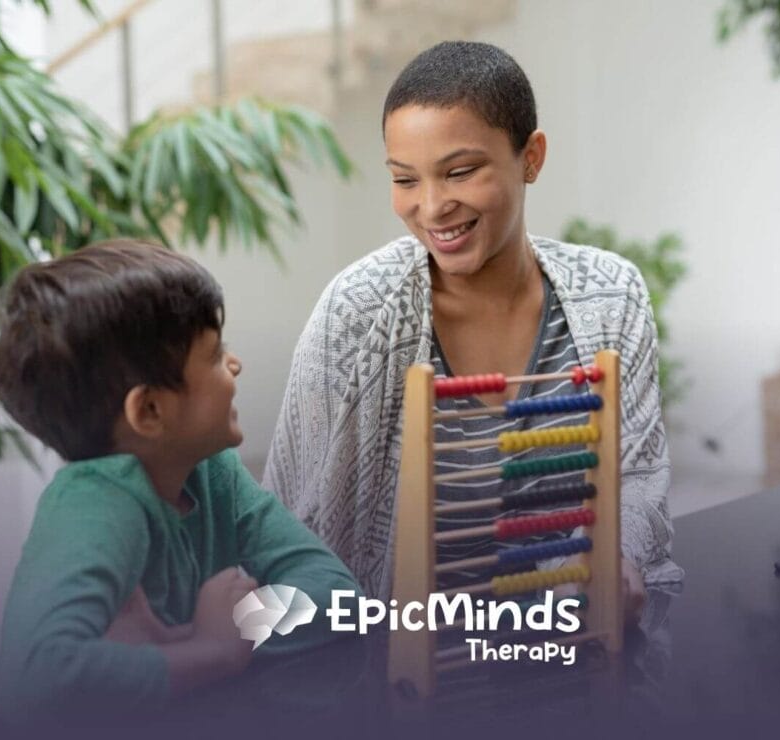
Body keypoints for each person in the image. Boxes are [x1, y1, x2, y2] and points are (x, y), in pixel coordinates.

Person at [263, 41, 684, 617]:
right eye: (405, 180)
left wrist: (616, 560)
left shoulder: (613, 294)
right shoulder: (356, 312)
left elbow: (635, 476)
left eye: (460, 172)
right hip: (408, 665)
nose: (432, 207)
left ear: (531, 157)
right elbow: (288, 520)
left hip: (576, 643)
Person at [0, 240, 360, 722]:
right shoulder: (92, 507)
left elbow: (333, 594)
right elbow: (38, 680)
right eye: (213, 354)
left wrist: (233, 633)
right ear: (150, 411)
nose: (235, 364)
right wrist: (209, 652)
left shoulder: (209, 470)